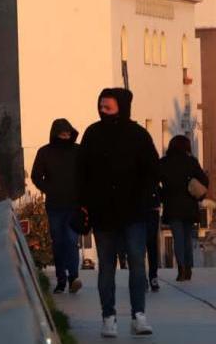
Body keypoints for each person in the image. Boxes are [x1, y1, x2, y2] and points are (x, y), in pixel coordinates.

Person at [77, 88, 159, 338]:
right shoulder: (92, 134)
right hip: (103, 213)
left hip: (134, 212)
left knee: (136, 263)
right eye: (100, 107)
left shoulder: (138, 135)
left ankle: (138, 315)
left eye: (108, 107)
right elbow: (82, 172)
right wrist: (84, 203)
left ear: (121, 107)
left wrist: (144, 196)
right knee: (107, 268)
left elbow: (152, 169)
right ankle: (108, 317)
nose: (103, 111)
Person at [31, 118, 83, 294]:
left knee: (71, 240)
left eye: (68, 134)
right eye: (62, 134)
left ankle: (74, 276)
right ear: (55, 134)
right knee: (59, 243)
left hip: (74, 205)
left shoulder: (78, 151)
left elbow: (87, 174)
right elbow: (36, 176)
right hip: (55, 206)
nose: (65, 137)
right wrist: (49, 189)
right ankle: (61, 279)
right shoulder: (45, 153)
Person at [158, 135, 208, 282]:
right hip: (189, 206)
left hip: (172, 206)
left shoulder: (164, 163)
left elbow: (154, 181)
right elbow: (204, 180)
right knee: (187, 238)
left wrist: (163, 194)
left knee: (178, 238)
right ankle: (188, 268)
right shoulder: (191, 162)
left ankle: (181, 268)